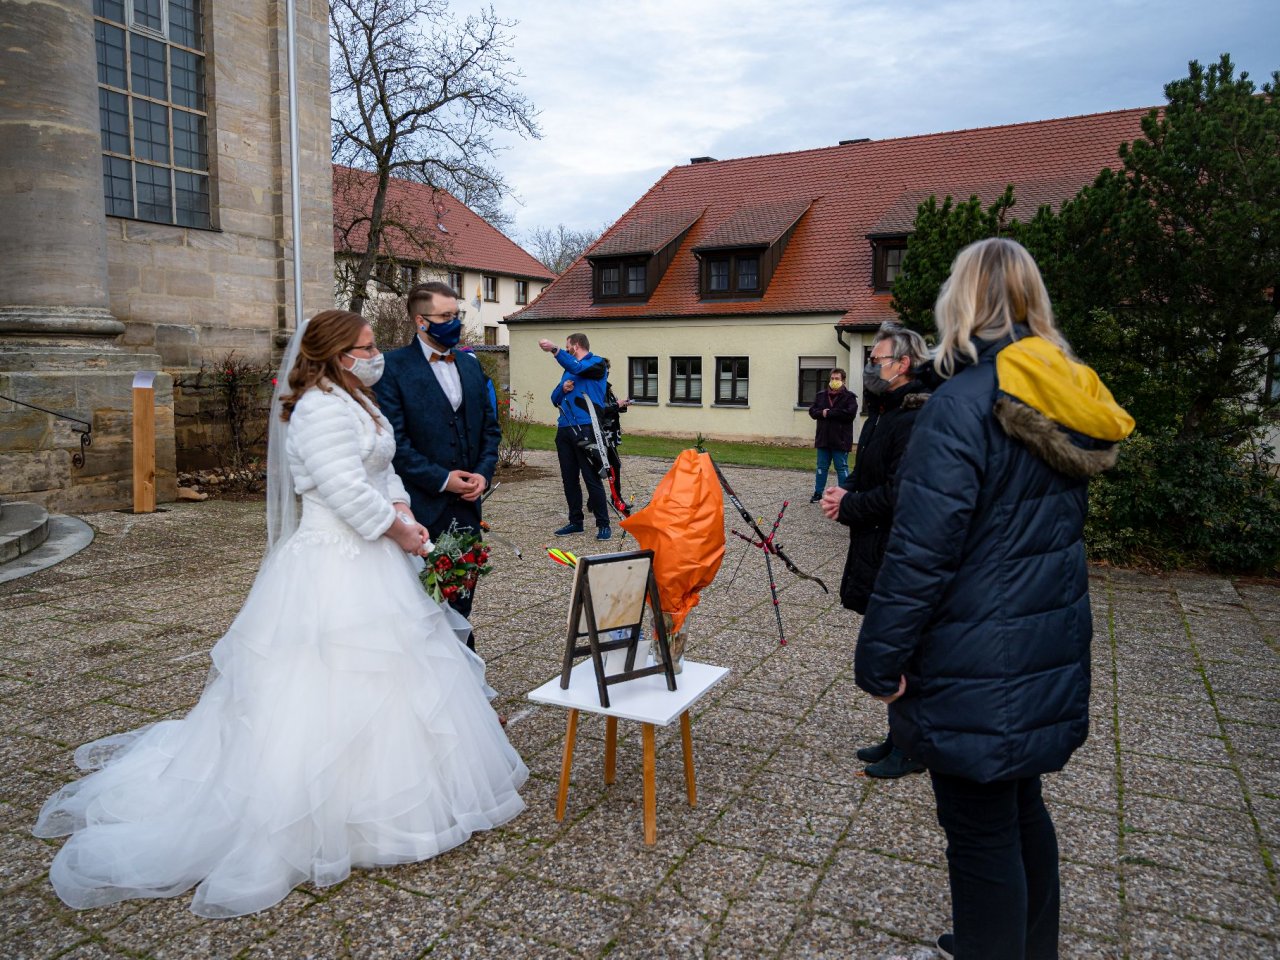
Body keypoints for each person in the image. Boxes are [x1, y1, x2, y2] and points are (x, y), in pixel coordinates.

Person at [33, 310, 528, 919]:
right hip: (336, 559)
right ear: (335, 354)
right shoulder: (317, 408)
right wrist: (399, 531)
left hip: (378, 551)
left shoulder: (358, 399)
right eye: (366, 348)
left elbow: (383, 466)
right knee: (321, 682)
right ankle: (316, 813)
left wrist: (403, 506)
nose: (376, 356)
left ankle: (400, 798)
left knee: (405, 674)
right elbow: (342, 489)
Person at [854, 239, 1134, 959]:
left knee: (980, 834)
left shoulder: (962, 406)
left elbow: (921, 552)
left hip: (975, 654)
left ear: (964, 303)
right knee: (1020, 808)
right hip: (1042, 644)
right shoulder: (1061, 396)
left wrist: (880, 660)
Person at [820, 322, 929, 779]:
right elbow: (871, 476)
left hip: (900, 548)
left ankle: (914, 747)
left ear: (903, 365)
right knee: (892, 644)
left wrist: (851, 503)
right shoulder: (883, 412)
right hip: (874, 543)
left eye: (877, 360)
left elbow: (904, 493)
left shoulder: (915, 417)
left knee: (907, 649)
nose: (868, 368)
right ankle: (897, 735)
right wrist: (842, 492)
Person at [376, 282, 502, 647]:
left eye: (456, 315)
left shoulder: (470, 364)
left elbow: (490, 429)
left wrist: (482, 472)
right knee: (419, 608)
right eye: (445, 317)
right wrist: (443, 479)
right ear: (421, 321)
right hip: (419, 509)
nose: (455, 323)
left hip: (466, 511)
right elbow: (394, 444)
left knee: (461, 604)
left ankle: (462, 679)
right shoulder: (393, 368)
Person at [539, 333, 612, 540]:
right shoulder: (568, 369)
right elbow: (554, 399)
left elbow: (578, 368)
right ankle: (575, 522)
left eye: (567, 347)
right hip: (564, 429)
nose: (565, 349)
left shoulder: (597, 364)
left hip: (586, 427)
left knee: (591, 477)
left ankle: (603, 524)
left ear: (576, 346)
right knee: (569, 478)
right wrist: (562, 389)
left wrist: (555, 350)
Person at [807, 367, 858, 502]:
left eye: (837, 379)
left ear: (843, 381)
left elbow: (849, 415)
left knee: (841, 468)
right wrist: (822, 413)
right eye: (832, 378)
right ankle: (818, 493)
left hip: (840, 439)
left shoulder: (850, 397)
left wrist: (828, 413)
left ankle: (845, 496)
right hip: (823, 438)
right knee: (821, 467)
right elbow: (813, 411)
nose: (834, 381)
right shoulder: (821, 395)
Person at [599, 358, 632, 508]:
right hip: (602, 434)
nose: (607, 373)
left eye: (608, 370)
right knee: (601, 467)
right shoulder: (597, 388)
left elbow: (612, 406)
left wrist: (622, 404)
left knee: (613, 466)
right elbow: (600, 410)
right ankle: (606, 499)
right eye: (605, 370)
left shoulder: (607, 388)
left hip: (611, 434)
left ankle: (615, 497)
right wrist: (615, 405)